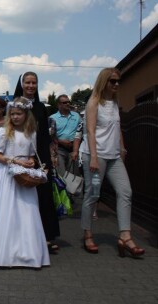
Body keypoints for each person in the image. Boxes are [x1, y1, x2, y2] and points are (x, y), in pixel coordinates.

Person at [0, 97, 50, 268]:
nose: (15, 117)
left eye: (19, 114)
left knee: (26, 213)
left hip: (24, 177)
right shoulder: (3, 132)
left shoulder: (31, 133)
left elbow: (30, 155)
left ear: (26, 115)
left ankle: (26, 253)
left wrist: (30, 162)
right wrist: (16, 161)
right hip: (6, 176)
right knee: (6, 212)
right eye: (12, 114)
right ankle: (3, 253)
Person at [79, 68, 144, 257]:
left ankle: (125, 235)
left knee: (125, 192)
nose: (116, 84)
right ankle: (88, 233)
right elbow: (90, 131)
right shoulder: (93, 102)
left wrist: (122, 149)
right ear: (104, 82)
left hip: (113, 156)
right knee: (92, 194)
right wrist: (92, 157)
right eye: (112, 81)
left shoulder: (115, 103)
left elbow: (117, 128)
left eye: (118, 81)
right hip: (95, 154)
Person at [14, 71, 60, 253]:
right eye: (28, 83)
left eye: (34, 83)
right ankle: (23, 235)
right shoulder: (16, 105)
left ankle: (47, 236)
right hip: (21, 153)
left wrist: (50, 157)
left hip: (40, 155)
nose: (31, 86)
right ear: (22, 84)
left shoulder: (41, 107)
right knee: (22, 196)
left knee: (44, 195)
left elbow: (44, 136)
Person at [49, 95, 82, 177]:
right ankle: (62, 190)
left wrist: (75, 149)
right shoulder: (52, 118)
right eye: (64, 102)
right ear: (58, 105)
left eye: (68, 102)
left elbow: (80, 131)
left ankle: (73, 190)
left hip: (73, 149)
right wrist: (60, 141)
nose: (67, 104)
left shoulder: (76, 116)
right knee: (61, 175)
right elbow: (50, 135)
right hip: (59, 149)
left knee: (73, 176)